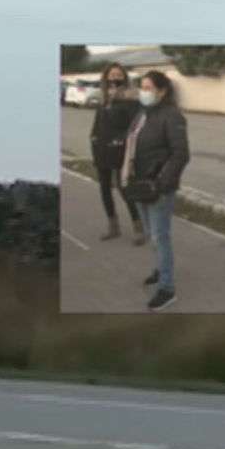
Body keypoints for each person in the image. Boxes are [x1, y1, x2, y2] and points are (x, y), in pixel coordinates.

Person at [122, 70, 190, 311]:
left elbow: (180, 153)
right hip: (140, 185)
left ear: (162, 91)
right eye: (142, 87)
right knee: (152, 234)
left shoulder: (172, 116)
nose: (143, 92)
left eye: (148, 88)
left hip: (158, 187)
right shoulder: (142, 114)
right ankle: (160, 270)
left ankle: (167, 288)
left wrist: (162, 183)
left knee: (160, 236)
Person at [89, 63, 145, 244]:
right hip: (101, 149)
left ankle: (138, 228)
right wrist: (93, 137)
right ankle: (113, 226)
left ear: (124, 77)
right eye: (111, 75)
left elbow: (134, 125)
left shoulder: (131, 99)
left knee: (124, 188)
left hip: (120, 150)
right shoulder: (103, 99)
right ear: (106, 77)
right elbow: (98, 122)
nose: (115, 77)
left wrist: (121, 140)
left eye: (118, 74)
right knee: (104, 189)